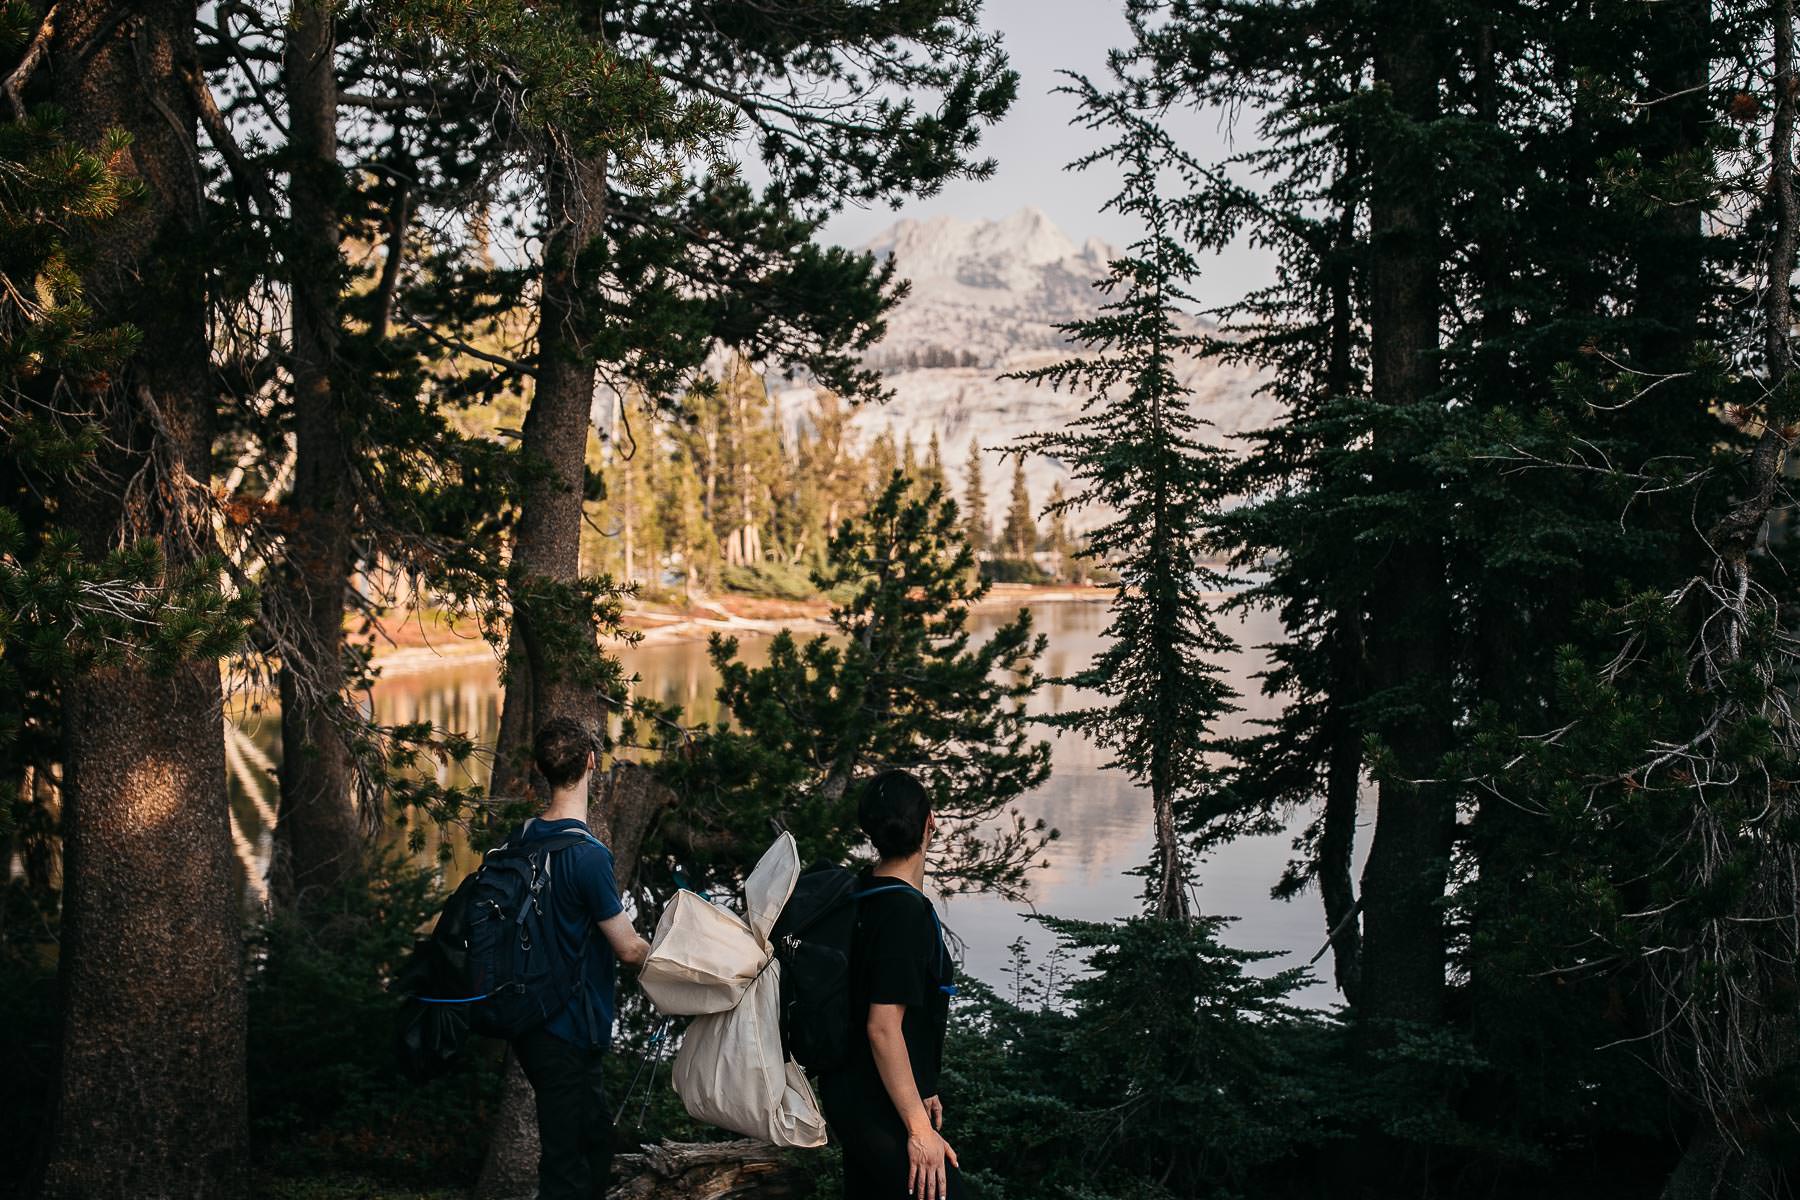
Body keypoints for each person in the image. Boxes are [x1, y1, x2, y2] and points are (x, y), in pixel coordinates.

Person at [511, 716, 650, 1200]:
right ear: (592, 762)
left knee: (592, 1140)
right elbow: (629, 949)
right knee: (567, 1165)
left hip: (531, 1023)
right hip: (567, 1027)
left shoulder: (521, 838)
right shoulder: (588, 856)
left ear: (541, 768)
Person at [820, 769, 963, 1200]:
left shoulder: (863, 891)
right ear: (931, 821)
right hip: (878, 1105)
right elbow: (882, 1026)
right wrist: (919, 1130)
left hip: (854, 1093)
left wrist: (923, 1087)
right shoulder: (901, 913)